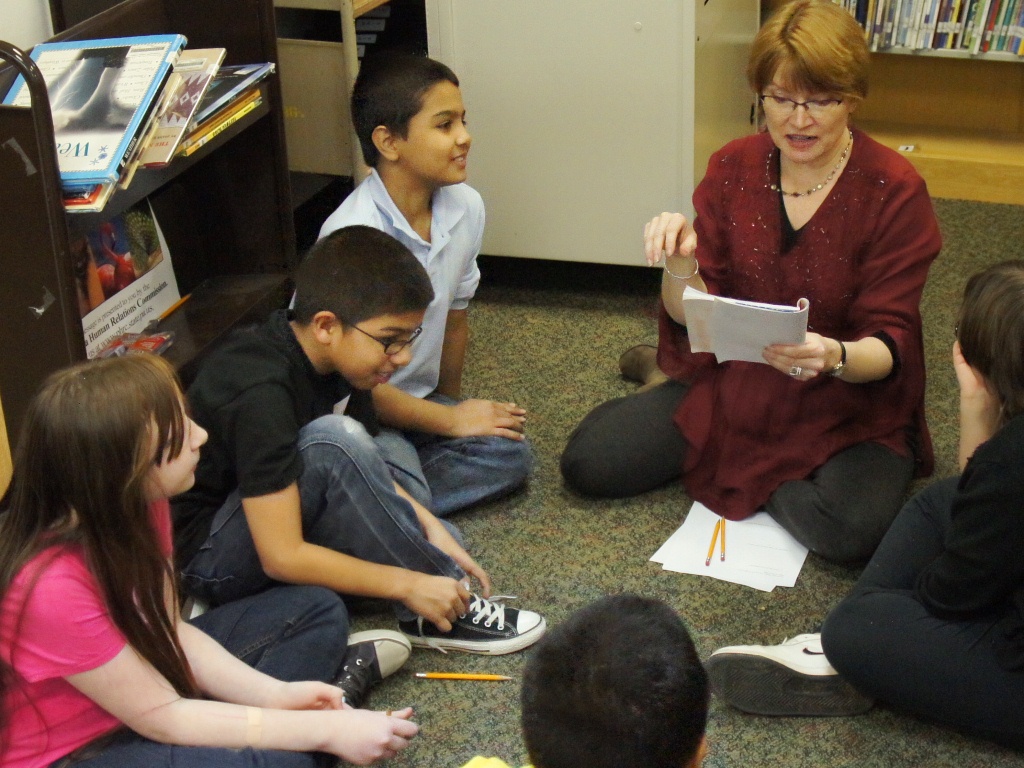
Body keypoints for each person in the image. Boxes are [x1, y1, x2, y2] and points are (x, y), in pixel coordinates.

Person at [561, 0, 942, 563]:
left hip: (844, 393)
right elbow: (691, 314)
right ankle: (676, 390)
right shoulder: (734, 166)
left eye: (820, 101)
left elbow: (889, 344)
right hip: (738, 377)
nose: (798, 120)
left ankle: (726, 447)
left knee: (850, 533)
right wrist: (681, 263)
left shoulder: (894, 188)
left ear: (852, 99)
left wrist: (831, 355)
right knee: (588, 464)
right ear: (760, 94)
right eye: (780, 98)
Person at [0, 354, 418, 768]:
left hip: (156, 691)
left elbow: (170, 630)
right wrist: (322, 731)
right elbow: (163, 717)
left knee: (316, 608)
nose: (200, 435)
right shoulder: (48, 587)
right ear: (124, 468)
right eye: (177, 434)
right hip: (84, 747)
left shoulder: (143, 501)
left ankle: (306, 731)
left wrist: (273, 695)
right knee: (273, 762)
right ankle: (326, 726)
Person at [173, 225, 545, 655]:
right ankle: (437, 611)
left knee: (451, 508)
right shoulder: (261, 392)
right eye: (390, 341)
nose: (404, 357)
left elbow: (367, 470)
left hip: (289, 499)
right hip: (215, 557)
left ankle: (385, 560)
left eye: (409, 339)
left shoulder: (334, 360)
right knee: (336, 441)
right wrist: (410, 582)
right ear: (326, 326)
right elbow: (281, 554)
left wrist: (424, 523)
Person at [706, 261, 1024, 749]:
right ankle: (885, 655)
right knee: (942, 501)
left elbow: (950, 598)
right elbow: (974, 500)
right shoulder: (1005, 465)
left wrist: (975, 404)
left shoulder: (1009, 462)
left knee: (852, 631)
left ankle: (843, 661)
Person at [318, 52, 533, 517]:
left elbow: (455, 320)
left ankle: (381, 502)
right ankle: (384, 498)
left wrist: (452, 411)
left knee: (512, 452)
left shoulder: (466, 206)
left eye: (463, 120)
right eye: (444, 125)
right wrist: (450, 420)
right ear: (388, 142)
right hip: (358, 412)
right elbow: (342, 382)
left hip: (419, 403)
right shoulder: (353, 235)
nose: (464, 136)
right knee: (387, 462)